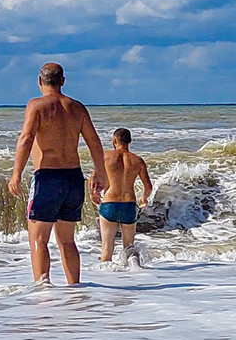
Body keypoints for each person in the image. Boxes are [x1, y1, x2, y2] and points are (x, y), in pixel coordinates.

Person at [9, 61, 104, 284]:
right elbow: (95, 143)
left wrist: (16, 174)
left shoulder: (37, 105)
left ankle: (43, 293)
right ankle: (75, 290)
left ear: (39, 81)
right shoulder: (77, 107)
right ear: (62, 81)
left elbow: (26, 139)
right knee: (67, 241)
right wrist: (100, 174)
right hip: (73, 178)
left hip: (48, 178)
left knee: (39, 240)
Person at [97, 127, 154, 267]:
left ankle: (106, 281)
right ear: (129, 141)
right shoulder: (137, 161)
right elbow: (148, 187)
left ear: (114, 140)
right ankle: (134, 275)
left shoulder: (105, 157)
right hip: (128, 206)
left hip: (109, 204)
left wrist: (94, 195)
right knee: (129, 248)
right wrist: (144, 198)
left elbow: (94, 181)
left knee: (107, 248)